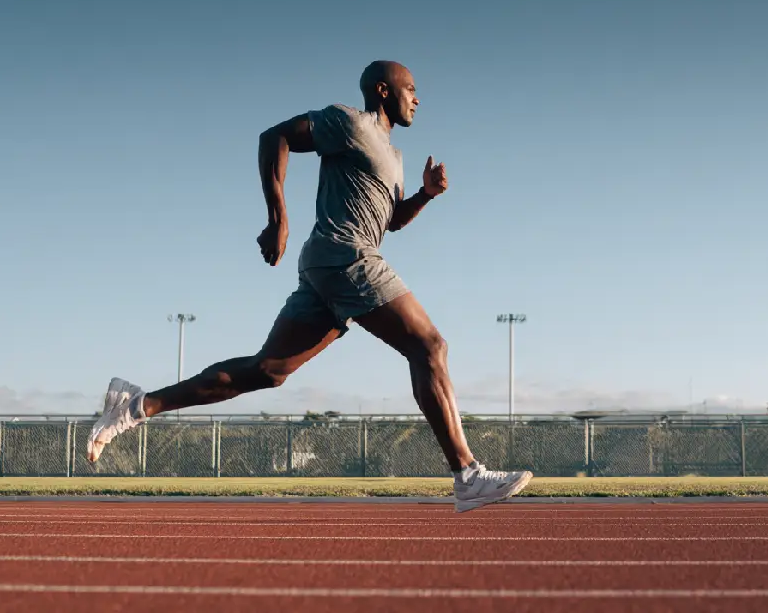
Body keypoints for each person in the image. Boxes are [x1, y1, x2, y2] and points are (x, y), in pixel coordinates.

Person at [85, 60, 532, 513]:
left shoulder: (394, 159)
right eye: (411, 89)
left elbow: (390, 221)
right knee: (429, 346)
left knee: (267, 371)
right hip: (346, 254)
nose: (418, 98)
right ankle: (467, 474)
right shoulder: (347, 122)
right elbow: (274, 137)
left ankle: (137, 405)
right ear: (382, 90)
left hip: (332, 264)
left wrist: (425, 196)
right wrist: (278, 217)